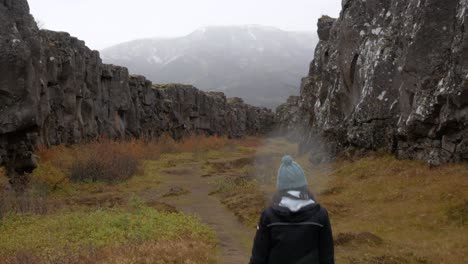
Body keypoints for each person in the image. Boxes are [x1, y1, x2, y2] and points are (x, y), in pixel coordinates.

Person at [249, 155, 334, 264]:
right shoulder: (320, 215)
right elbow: (327, 258)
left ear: (280, 187)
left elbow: (258, 257)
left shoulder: (269, 215)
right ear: (304, 185)